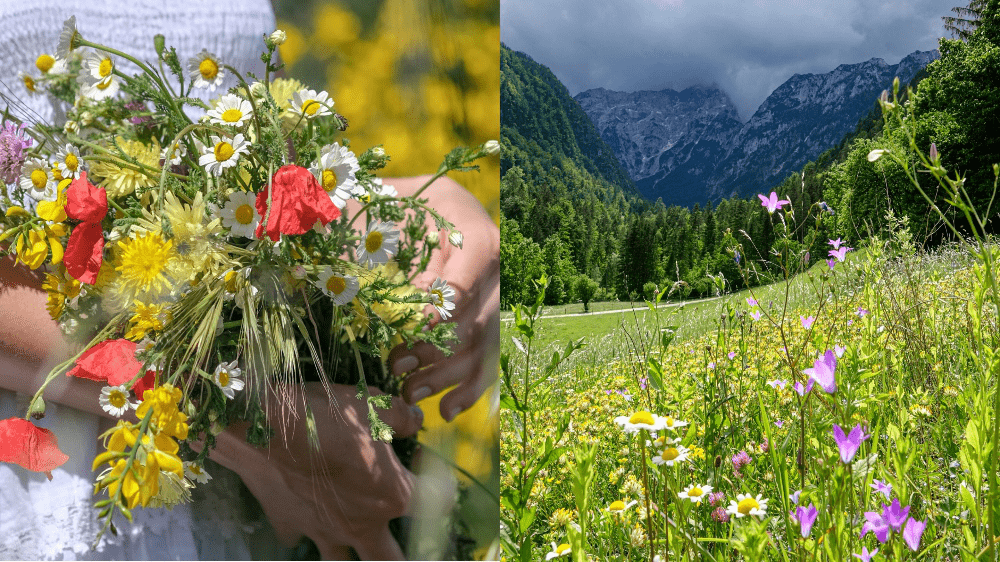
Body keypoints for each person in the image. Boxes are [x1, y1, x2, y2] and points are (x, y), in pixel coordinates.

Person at [0, 0, 499, 559]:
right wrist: (257, 427)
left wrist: (412, 214)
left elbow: (258, 197)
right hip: (59, 488)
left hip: (246, 501)